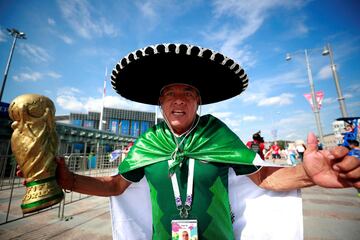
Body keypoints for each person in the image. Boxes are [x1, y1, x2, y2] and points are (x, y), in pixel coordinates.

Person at [39, 43, 358, 239]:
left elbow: (261, 178)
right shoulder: (148, 143)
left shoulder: (216, 134)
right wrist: (71, 180)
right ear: (160, 103)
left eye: (188, 93)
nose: (179, 100)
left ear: (198, 102)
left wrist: (307, 174)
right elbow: (114, 186)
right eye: (169, 94)